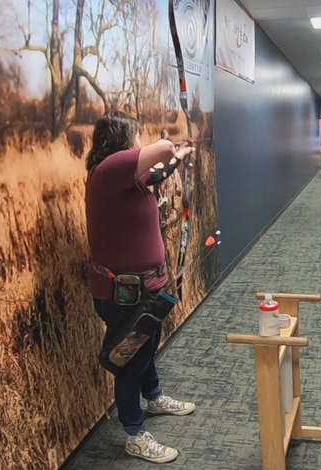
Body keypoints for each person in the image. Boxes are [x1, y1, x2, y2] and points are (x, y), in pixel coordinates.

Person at [84, 110, 196, 464]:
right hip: (125, 296)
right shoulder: (108, 172)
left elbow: (160, 170)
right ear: (120, 141)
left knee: (145, 345)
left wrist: (181, 156)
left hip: (147, 290)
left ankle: (155, 396)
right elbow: (160, 148)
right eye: (134, 136)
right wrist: (170, 146)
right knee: (131, 359)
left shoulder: (128, 178)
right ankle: (134, 434)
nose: (139, 141)